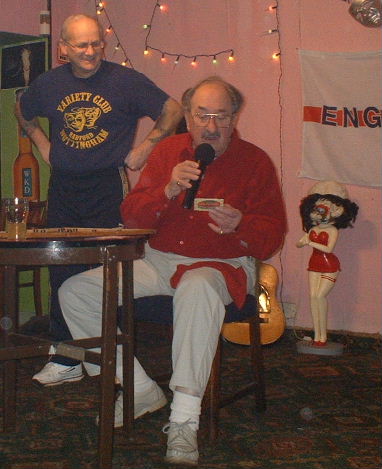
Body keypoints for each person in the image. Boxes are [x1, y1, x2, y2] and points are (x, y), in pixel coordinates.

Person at [59, 76, 286, 465]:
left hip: (222, 264)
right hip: (160, 261)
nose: (212, 126)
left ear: (234, 118)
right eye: (202, 115)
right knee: (75, 292)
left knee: (196, 287)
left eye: (222, 116)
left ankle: (184, 421)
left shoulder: (255, 161)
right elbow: (131, 216)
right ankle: (138, 388)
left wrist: (241, 224)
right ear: (188, 115)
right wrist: (166, 190)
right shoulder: (166, 153)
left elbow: (272, 237)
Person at [15, 14, 183, 386]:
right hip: (63, 187)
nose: (90, 52)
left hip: (109, 185)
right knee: (61, 269)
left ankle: (108, 355)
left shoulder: (125, 81)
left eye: (96, 44)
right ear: (63, 48)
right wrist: (44, 146)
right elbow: (23, 109)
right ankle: (67, 357)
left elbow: (173, 109)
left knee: (106, 273)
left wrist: (144, 149)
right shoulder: (49, 84)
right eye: (81, 45)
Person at [296, 181, 358, 345]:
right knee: (313, 297)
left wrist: (309, 242)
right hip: (314, 264)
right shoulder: (313, 230)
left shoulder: (332, 230)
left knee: (320, 296)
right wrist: (303, 242)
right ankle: (317, 335)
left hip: (329, 266)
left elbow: (328, 249)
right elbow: (300, 243)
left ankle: (323, 336)